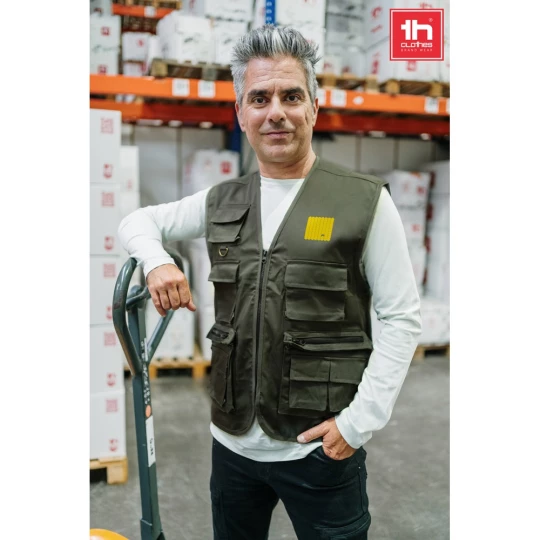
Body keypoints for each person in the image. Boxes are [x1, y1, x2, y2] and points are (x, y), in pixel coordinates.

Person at [118, 24, 422, 540]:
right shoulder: (221, 201)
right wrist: (157, 261)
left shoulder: (365, 202)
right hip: (232, 447)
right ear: (241, 113)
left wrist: (356, 425)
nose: (275, 111)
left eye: (290, 96)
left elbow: (401, 318)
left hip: (319, 451)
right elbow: (137, 221)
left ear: (314, 107)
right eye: (259, 98)